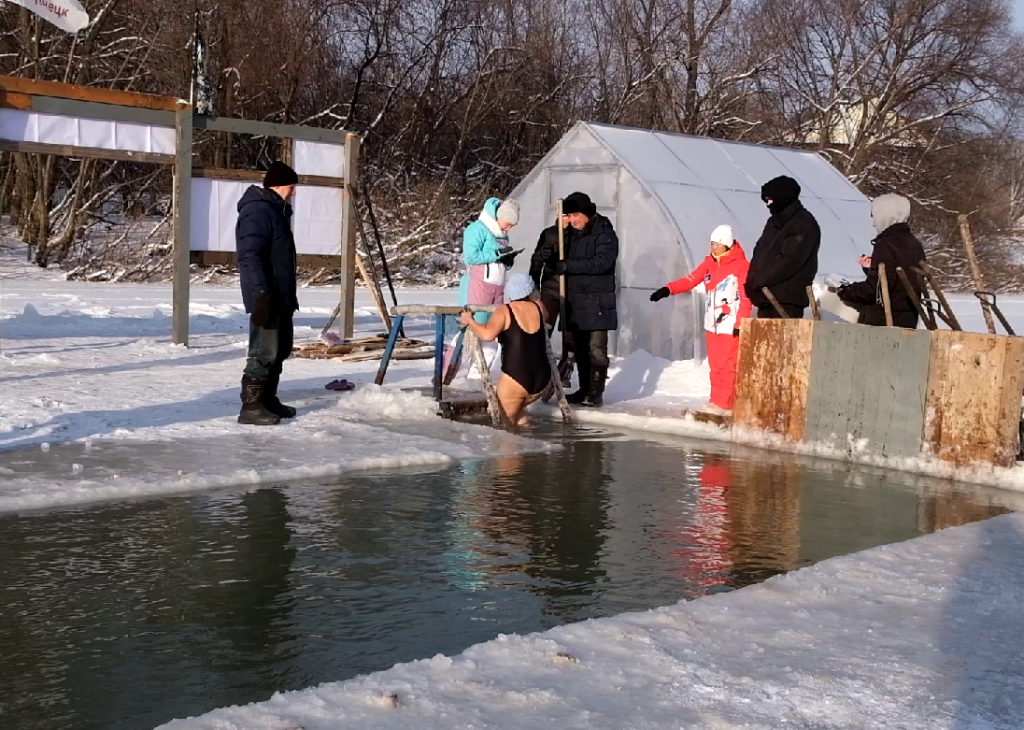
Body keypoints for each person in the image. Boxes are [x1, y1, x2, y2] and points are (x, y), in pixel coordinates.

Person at [650, 224, 751, 415]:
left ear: (727, 245)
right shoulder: (708, 264)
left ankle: (725, 404)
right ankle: (715, 401)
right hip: (712, 324)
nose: (713, 248)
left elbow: (746, 298)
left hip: (730, 325)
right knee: (715, 365)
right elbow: (690, 280)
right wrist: (667, 289)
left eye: (717, 244)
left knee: (728, 366)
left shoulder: (741, 266)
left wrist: (740, 323)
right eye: (712, 243)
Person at [235, 161, 300, 426]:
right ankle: (251, 407)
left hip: (281, 294)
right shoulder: (258, 212)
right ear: (279, 186)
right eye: (291, 187)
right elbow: (250, 255)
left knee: (280, 348)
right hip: (267, 294)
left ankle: (268, 399)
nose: (293, 192)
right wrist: (261, 291)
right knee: (264, 350)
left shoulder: (277, 211)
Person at [460, 273, 552, 428]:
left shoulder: (505, 310)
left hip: (516, 378)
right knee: (520, 418)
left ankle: (510, 451)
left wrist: (469, 320)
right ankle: (532, 449)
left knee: (507, 428)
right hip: (542, 378)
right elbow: (543, 316)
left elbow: (488, 335)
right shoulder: (540, 307)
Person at [444, 197, 521, 375]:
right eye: (508, 223)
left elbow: (498, 260)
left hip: (497, 288)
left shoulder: (502, 234)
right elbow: (471, 257)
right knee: (471, 333)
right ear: (498, 217)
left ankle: (476, 381)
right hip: (478, 286)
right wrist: (497, 254)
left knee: (491, 335)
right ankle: (446, 375)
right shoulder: (476, 229)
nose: (509, 228)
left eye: (512, 225)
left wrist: (507, 260)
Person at [556, 191, 618, 408]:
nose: (572, 221)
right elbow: (553, 251)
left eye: (575, 216)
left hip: (597, 301)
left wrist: (569, 266)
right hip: (575, 301)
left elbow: (602, 263)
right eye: (569, 217)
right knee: (579, 349)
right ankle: (583, 389)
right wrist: (559, 231)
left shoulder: (605, 233)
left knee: (596, 350)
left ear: (586, 213)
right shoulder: (569, 235)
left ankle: (595, 392)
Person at [836, 193, 926, 329]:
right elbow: (895, 281)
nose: (873, 222)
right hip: (908, 319)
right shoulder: (913, 243)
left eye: (875, 216)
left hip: (885, 322)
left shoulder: (886, 245)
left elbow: (874, 291)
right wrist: (872, 269)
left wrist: (845, 290)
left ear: (886, 215)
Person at [745, 176, 820, 319]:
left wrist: (758, 281)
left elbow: (789, 261)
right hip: (766, 296)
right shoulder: (773, 223)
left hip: (787, 299)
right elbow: (759, 252)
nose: (768, 205)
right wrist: (751, 282)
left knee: (782, 340)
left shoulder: (803, 223)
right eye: (766, 201)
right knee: (763, 340)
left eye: (770, 200)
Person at [528, 211, 574, 386]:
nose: (567, 220)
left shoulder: (579, 236)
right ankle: (539, 366)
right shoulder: (549, 233)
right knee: (545, 327)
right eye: (564, 216)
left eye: (569, 216)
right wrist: (534, 286)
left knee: (570, 332)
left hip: (572, 292)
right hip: (551, 288)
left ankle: (565, 369)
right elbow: (537, 260)